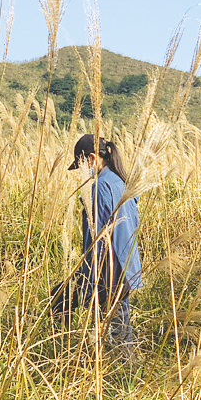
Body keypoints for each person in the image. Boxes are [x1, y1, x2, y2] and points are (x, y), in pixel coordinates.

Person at [52, 134, 142, 360]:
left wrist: (92, 279)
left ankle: (64, 354)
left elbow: (98, 236)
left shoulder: (101, 186)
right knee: (120, 326)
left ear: (92, 158)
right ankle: (117, 368)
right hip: (125, 268)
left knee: (60, 298)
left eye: (81, 164)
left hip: (109, 270)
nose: (81, 172)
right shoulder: (120, 181)